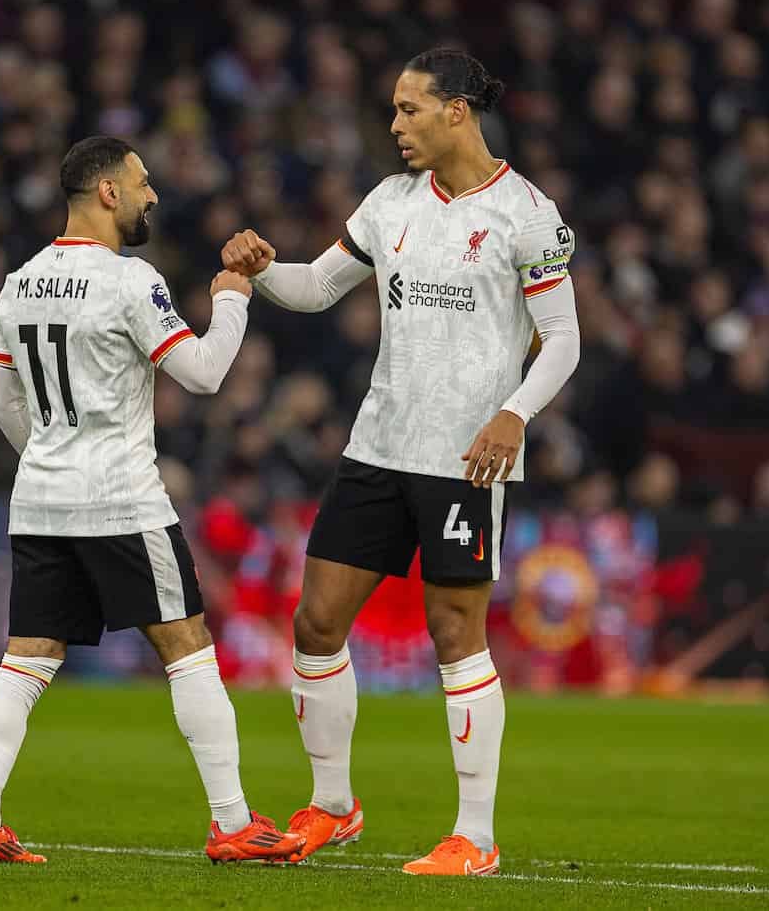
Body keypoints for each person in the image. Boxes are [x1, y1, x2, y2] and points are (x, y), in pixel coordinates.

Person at [221, 49, 580, 876]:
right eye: (393, 110)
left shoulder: (528, 214)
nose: (395, 126)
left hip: (465, 459)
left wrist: (512, 415)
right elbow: (315, 286)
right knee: (314, 621)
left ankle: (476, 839)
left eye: (409, 110)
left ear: (458, 111)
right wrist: (262, 267)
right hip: (377, 447)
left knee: (455, 633)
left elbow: (564, 339)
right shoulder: (390, 203)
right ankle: (333, 807)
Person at [0, 136, 303, 865]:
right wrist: (231, 300)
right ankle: (233, 822)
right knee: (188, 649)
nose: (152, 196)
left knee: (27, 660)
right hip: (121, 500)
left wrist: (53, 456)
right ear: (107, 192)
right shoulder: (128, 280)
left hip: (42, 501)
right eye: (143, 183)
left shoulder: (17, 284)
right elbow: (203, 376)